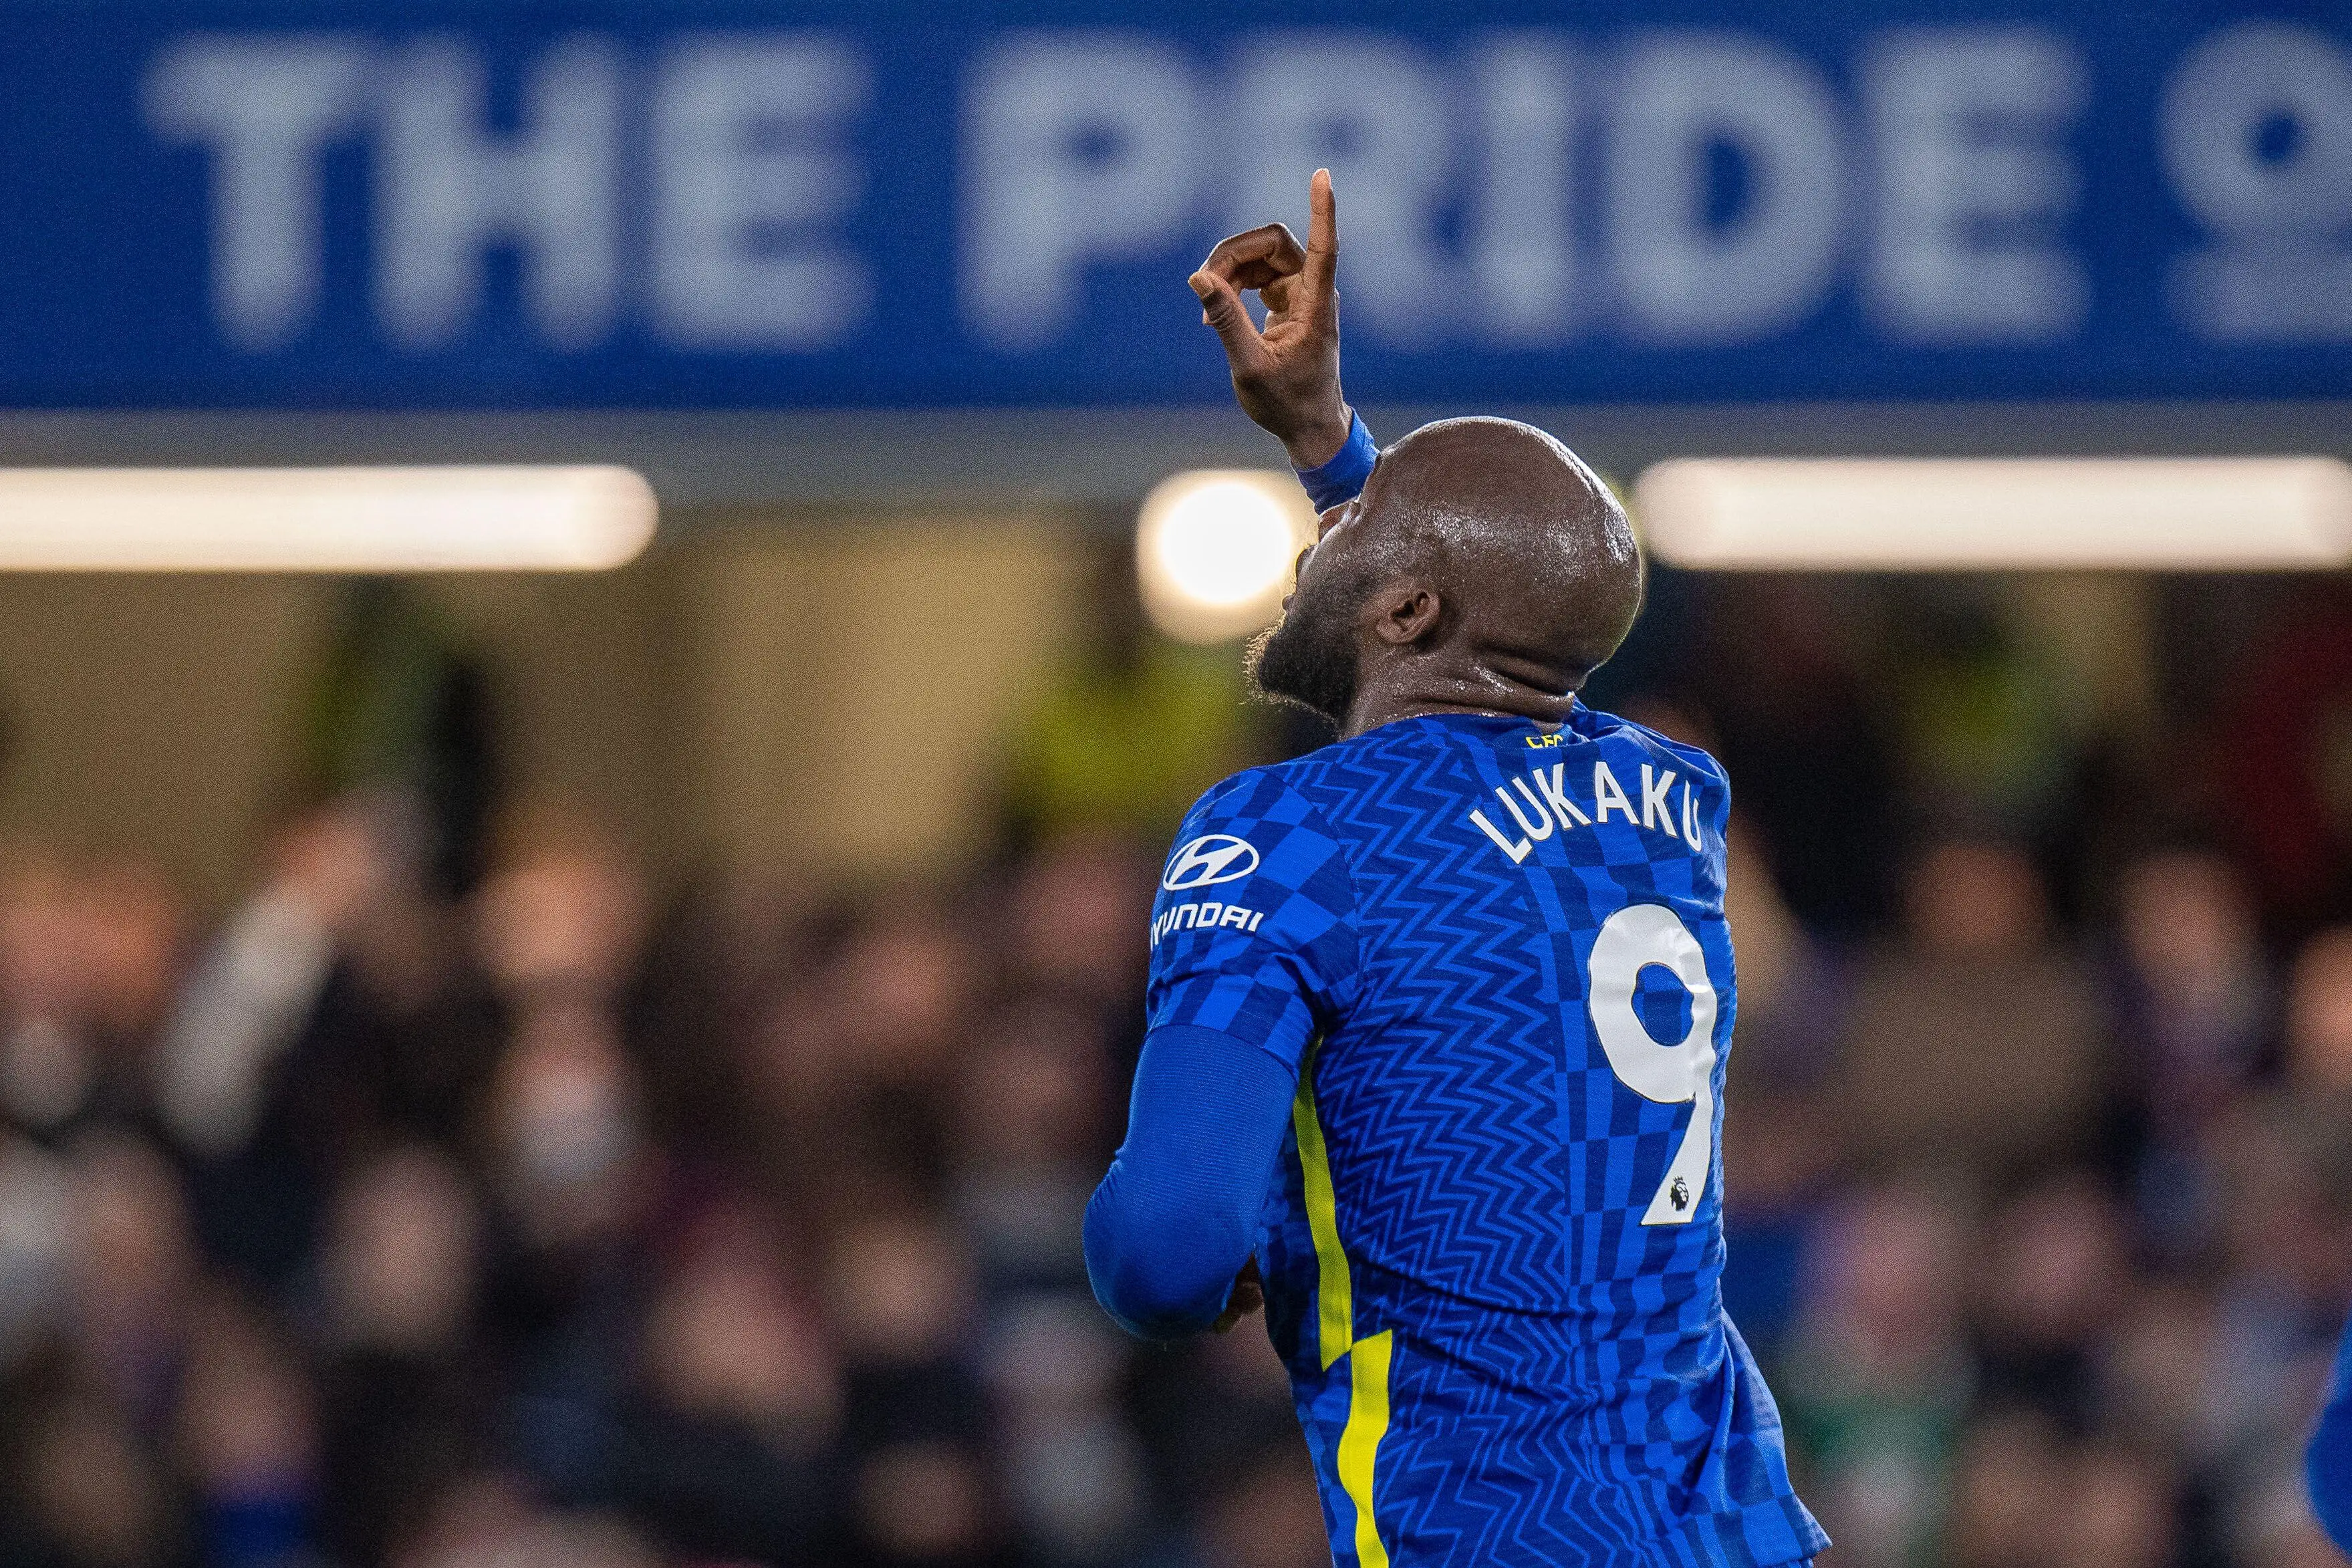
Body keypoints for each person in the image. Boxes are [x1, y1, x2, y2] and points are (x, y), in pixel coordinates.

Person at [1081, 170, 1827, 1568]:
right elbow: (1503, 632)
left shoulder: (1282, 840)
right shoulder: (1669, 802)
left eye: (1346, 533)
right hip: (1731, 1533)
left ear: (1408, 605)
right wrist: (1331, 449)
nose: (1316, 539)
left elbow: (1169, 1253)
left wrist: (1186, 1228)